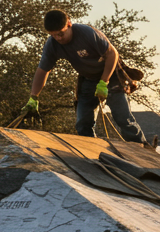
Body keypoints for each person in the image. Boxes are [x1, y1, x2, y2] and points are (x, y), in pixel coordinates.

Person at [23, 9, 147, 145]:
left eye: (61, 34)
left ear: (69, 24)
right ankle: (91, 151)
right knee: (82, 122)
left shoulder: (87, 34)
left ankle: (142, 149)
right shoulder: (52, 45)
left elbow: (112, 54)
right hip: (88, 79)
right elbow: (42, 71)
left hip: (111, 76)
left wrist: (103, 82)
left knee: (123, 118)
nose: (58, 38)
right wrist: (34, 97)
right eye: (53, 35)